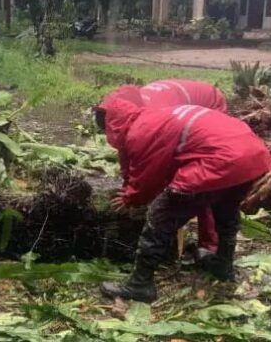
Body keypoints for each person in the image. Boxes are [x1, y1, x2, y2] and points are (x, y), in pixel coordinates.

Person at [94, 99, 271, 302]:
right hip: (252, 155)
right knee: (225, 209)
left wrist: (130, 198)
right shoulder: (154, 118)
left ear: (113, 125)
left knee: (160, 215)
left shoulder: (140, 131)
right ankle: (223, 266)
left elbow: (149, 177)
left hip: (222, 159)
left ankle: (140, 284)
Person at [102, 79, 228, 256]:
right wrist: (128, 187)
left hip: (209, 104)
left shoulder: (153, 116)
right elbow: (127, 148)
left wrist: (136, 196)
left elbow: (155, 165)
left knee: (197, 180)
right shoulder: (127, 111)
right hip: (180, 107)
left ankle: (209, 245)